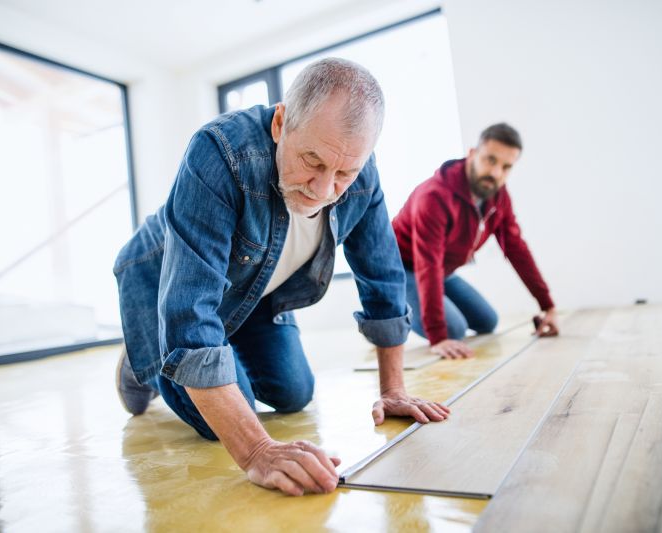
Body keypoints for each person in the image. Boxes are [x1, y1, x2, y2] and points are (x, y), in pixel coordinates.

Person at [112, 58, 449, 497]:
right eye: (312, 160)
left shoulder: (360, 171)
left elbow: (383, 278)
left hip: (252, 293)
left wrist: (393, 388)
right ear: (280, 123)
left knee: (294, 392)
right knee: (224, 422)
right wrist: (256, 452)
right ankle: (143, 362)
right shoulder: (218, 152)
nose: (324, 190)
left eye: (343, 173)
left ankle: (196, 351)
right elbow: (189, 318)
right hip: (162, 284)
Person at [391, 123, 560, 359]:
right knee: (453, 329)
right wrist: (438, 337)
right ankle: (381, 313)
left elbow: (516, 248)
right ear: (472, 154)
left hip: (441, 271)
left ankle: (423, 310)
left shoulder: (497, 196)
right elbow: (427, 263)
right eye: (490, 160)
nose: (496, 173)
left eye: (506, 166)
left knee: (487, 321)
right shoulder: (434, 197)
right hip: (401, 269)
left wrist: (547, 305)